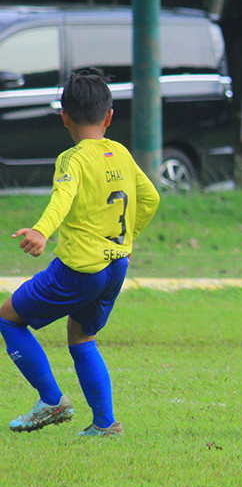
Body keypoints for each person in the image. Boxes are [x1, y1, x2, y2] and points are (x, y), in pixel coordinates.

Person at [1, 69, 160, 437]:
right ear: (108, 116)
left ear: (64, 117)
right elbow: (150, 198)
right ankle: (104, 424)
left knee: (8, 318)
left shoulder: (73, 159)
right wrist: (127, 240)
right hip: (115, 266)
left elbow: (62, 198)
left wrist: (41, 231)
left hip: (80, 269)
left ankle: (52, 401)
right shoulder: (119, 152)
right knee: (82, 337)